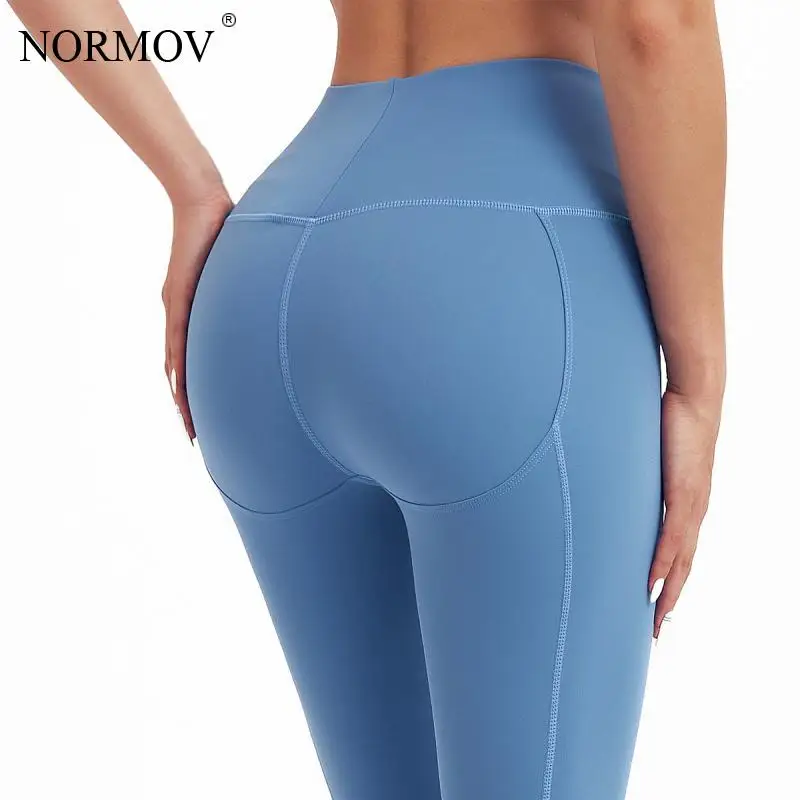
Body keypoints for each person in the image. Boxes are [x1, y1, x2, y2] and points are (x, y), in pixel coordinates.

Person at [9, 1, 726, 798]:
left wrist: (190, 188)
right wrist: (698, 384)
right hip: (508, 286)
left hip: (268, 265)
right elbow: (654, 21)